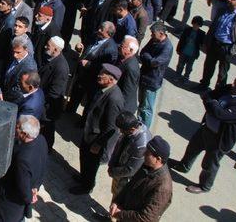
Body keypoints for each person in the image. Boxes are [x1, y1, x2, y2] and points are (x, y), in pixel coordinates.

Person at [172, 73, 236, 193]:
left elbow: (220, 114)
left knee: (209, 164)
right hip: (207, 129)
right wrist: (212, 103)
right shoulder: (228, 88)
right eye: (235, 82)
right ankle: (183, 166)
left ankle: (204, 186)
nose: (233, 85)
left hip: (219, 140)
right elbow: (209, 95)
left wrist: (212, 103)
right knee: (192, 148)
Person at [70, 64, 124, 195]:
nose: (99, 75)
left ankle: (86, 186)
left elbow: (111, 127)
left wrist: (99, 144)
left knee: (91, 164)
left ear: (111, 80)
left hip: (96, 139)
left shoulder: (114, 98)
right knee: (84, 158)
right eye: (100, 72)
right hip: (89, 133)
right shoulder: (104, 88)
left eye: (103, 74)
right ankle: (83, 177)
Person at [0, 115, 48, 221]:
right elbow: (43, 165)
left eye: (18, 127)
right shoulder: (41, 140)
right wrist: (36, 187)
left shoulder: (22, 159)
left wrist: (29, 197)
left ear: (25, 134)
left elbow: (23, 189)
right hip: (26, 194)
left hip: (9, 205)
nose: (15, 129)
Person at [109, 136, 173, 221]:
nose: (144, 154)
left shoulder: (163, 187)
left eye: (147, 153)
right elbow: (130, 185)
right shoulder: (148, 166)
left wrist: (119, 214)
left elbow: (146, 217)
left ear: (158, 159)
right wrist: (117, 202)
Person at [200, 0, 236, 90]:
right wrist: (207, 40)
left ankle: (218, 92)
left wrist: (232, 51)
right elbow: (213, 26)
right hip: (215, 42)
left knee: (222, 72)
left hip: (227, 47)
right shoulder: (223, 10)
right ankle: (203, 85)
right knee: (208, 66)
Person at [107, 112, 151, 197]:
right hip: (120, 169)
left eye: (122, 130)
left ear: (132, 129)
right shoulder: (130, 131)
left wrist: (113, 172)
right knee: (115, 192)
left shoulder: (141, 145)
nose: (120, 132)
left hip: (126, 178)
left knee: (119, 197)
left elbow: (131, 170)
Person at [175, 16, 206, 82]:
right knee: (180, 65)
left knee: (189, 67)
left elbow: (202, 43)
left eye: (197, 24)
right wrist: (178, 49)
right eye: (194, 24)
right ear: (192, 23)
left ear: (200, 25)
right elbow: (181, 40)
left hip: (192, 53)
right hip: (184, 51)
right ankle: (178, 75)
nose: (195, 26)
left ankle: (186, 77)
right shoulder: (187, 30)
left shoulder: (202, 34)